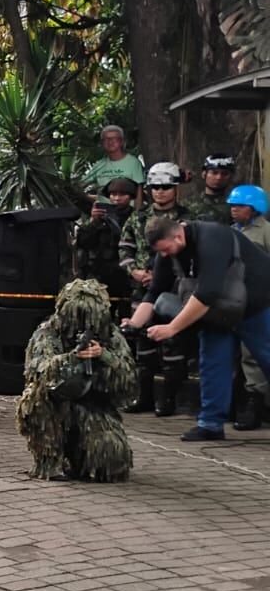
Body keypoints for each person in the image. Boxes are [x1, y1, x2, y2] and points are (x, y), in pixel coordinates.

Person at [130, 213, 270, 442]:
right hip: (220, 310)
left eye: (167, 250)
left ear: (178, 234)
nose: (164, 255)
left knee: (266, 356)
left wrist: (171, 328)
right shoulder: (167, 251)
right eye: (160, 252)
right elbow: (155, 291)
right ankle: (210, 423)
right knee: (213, 363)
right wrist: (134, 323)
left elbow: (206, 293)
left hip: (257, 302)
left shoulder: (211, 237)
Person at [17, 279, 137, 480]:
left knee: (112, 460)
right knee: (34, 400)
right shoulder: (47, 332)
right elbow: (37, 371)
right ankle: (49, 462)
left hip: (94, 406)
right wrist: (71, 358)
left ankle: (80, 459)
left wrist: (104, 355)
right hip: (56, 405)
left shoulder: (111, 336)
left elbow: (129, 382)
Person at [119, 162, 192, 415]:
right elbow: (124, 248)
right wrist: (135, 272)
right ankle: (144, 398)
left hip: (174, 291)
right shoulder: (137, 218)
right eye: (155, 187)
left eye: (165, 187)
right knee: (142, 342)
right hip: (142, 291)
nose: (160, 192)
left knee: (173, 342)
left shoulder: (186, 219)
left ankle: (169, 400)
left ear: (175, 188)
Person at [229, 185, 270, 429]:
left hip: (261, 301)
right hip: (235, 300)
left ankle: (255, 404)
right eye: (232, 206)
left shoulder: (265, 231)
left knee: (253, 354)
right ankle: (239, 403)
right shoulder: (231, 232)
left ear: (255, 208)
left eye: (240, 206)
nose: (234, 210)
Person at [74, 196, 129, 318]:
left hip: (125, 273)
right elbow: (83, 242)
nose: (117, 198)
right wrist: (94, 221)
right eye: (113, 194)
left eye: (121, 194)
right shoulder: (99, 219)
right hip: (99, 273)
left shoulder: (133, 217)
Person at [84, 125, 146, 203]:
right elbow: (80, 185)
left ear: (122, 141)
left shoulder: (133, 163)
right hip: (104, 212)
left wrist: (137, 213)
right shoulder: (99, 165)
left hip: (127, 213)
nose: (110, 142)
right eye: (106, 139)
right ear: (102, 143)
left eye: (114, 139)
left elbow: (139, 191)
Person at [191, 154, 236, 224]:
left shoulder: (236, 205)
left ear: (231, 177)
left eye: (225, 174)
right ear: (204, 174)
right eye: (214, 173)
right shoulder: (188, 204)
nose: (219, 177)